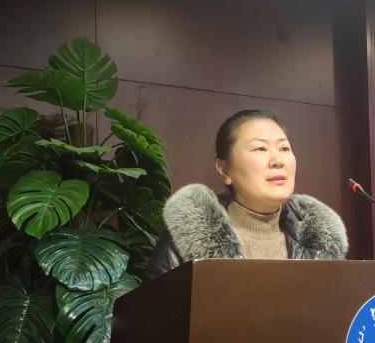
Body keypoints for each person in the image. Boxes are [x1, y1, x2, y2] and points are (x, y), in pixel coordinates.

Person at [145, 109, 348, 279]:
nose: (278, 160)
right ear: (224, 170)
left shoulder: (319, 245)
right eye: (260, 148)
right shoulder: (187, 242)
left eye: (284, 148)